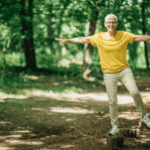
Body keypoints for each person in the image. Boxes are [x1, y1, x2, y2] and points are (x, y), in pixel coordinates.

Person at [55, 14, 150, 135]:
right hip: (109, 73)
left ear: (116, 24)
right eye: (109, 22)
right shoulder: (99, 37)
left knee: (135, 92)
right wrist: (68, 40)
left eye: (113, 22)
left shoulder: (123, 35)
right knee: (112, 101)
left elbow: (139, 37)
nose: (111, 24)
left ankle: (144, 117)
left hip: (124, 70)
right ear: (105, 24)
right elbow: (83, 39)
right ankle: (115, 126)